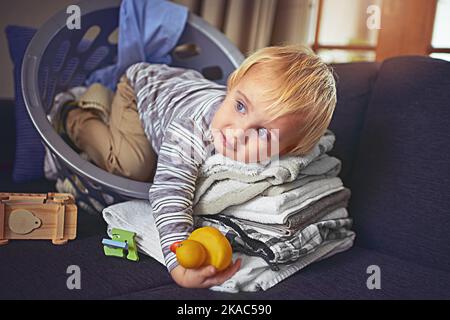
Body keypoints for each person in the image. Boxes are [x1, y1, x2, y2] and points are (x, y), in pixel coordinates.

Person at [51, 44, 337, 288]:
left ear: (288, 150)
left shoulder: (282, 153)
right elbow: (169, 191)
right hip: (140, 91)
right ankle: (72, 112)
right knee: (134, 166)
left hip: (180, 85)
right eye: (239, 106)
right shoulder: (191, 130)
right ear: (232, 85)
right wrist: (177, 262)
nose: (237, 132)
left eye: (262, 133)